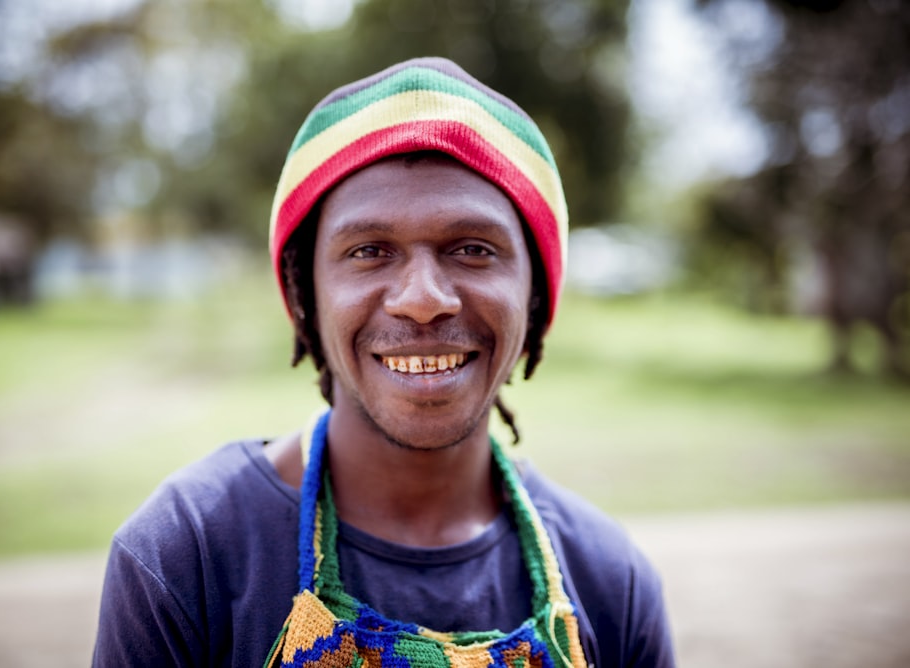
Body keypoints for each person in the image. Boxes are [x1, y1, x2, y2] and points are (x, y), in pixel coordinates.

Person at [93, 57, 675, 668]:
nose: (423, 299)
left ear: (534, 296)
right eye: (369, 250)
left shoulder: (612, 583)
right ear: (304, 295)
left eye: (473, 249)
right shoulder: (187, 557)